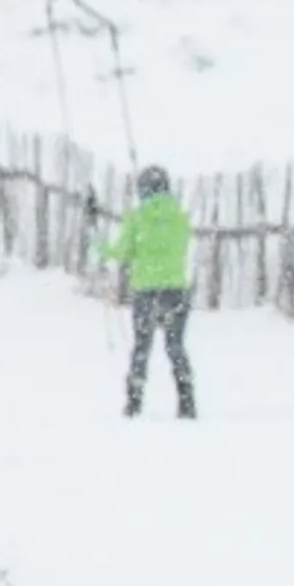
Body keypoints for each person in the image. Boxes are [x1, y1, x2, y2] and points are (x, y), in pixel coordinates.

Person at [98, 165, 196, 419]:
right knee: (175, 346)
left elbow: (119, 252)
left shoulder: (137, 218)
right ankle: (186, 401)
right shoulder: (181, 218)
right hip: (175, 290)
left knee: (142, 348)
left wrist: (97, 241)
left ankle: (134, 403)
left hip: (146, 293)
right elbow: (182, 246)